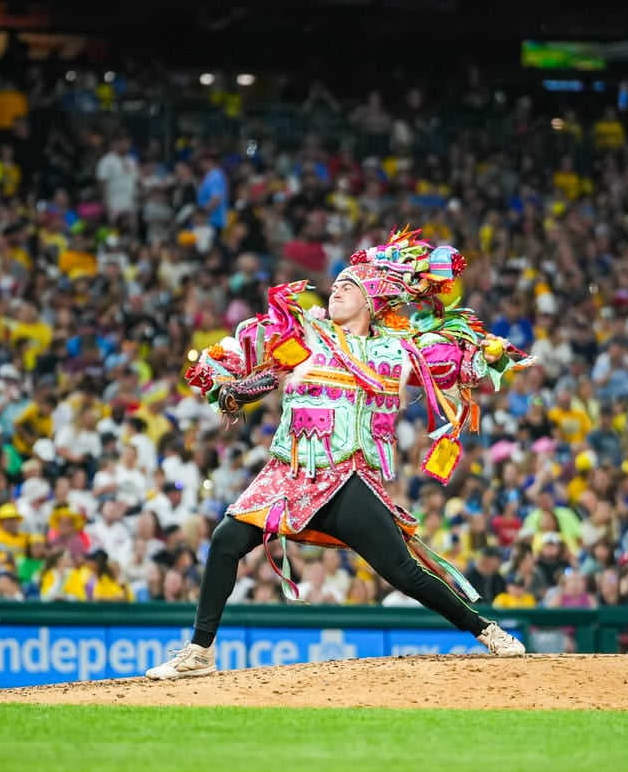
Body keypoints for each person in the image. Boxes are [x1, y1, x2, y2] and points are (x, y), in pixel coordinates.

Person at [144, 227, 533, 678]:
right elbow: (266, 375)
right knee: (225, 541)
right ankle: (199, 652)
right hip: (288, 473)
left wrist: (483, 355)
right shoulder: (306, 335)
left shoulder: (393, 350)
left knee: (402, 570)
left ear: (370, 301)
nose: (335, 292)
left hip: (344, 478)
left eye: (348, 286)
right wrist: (233, 392)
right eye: (335, 286)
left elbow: (447, 366)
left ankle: (485, 630)